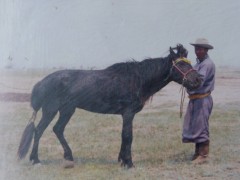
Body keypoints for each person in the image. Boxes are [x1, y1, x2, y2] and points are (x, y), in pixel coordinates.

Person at [182, 38, 215, 164]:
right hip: (195, 99)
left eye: (200, 49)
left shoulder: (207, 64)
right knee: (195, 125)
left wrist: (185, 82)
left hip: (203, 99)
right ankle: (197, 152)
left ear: (206, 50)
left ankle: (203, 155)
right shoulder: (197, 64)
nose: (198, 51)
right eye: (196, 49)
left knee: (202, 126)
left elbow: (198, 82)